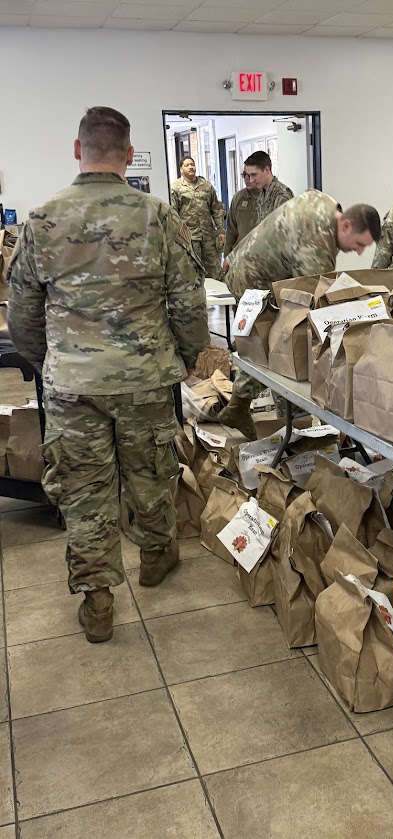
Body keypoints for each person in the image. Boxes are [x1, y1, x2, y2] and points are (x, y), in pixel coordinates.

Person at [7, 106, 209, 644]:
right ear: (129, 155)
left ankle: (97, 601)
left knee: (85, 491)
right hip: (144, 379)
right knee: (151, 474)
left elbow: (21, 312)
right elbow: (188, 301)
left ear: (78, 150)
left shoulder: (42, 219)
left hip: (73, 384)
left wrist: (50, 360)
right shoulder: (157, 215)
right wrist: (191, 356)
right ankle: (156, 556)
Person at [219, 189, 381, 439]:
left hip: (249, 263)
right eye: (360, 244)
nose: (359, 252)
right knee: (277, 347)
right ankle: (294, 425)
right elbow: (318, 305)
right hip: (253, 280)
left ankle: (242, 408)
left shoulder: (326, 204)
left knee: (275, 346)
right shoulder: (315, 245)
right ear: (346, 225)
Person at [223, 151, 293, 269]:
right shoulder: (263, 193)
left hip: (275, 264)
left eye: (254, 175)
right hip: (260, 260)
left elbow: (280, 237)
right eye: (247, 175)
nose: (251, 180)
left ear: (267, 170)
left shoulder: (281, 196)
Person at [171, 156, 225, 278]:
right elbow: (173, 214)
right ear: (181, 169)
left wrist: (221, 230)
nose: (191, 167)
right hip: (189, 238)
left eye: (192, 164)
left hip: (208, 236)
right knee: (193, 272)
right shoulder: (176, 188)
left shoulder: (206, 186)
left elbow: (216, 210)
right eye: (187, 165)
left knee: (214, 270)